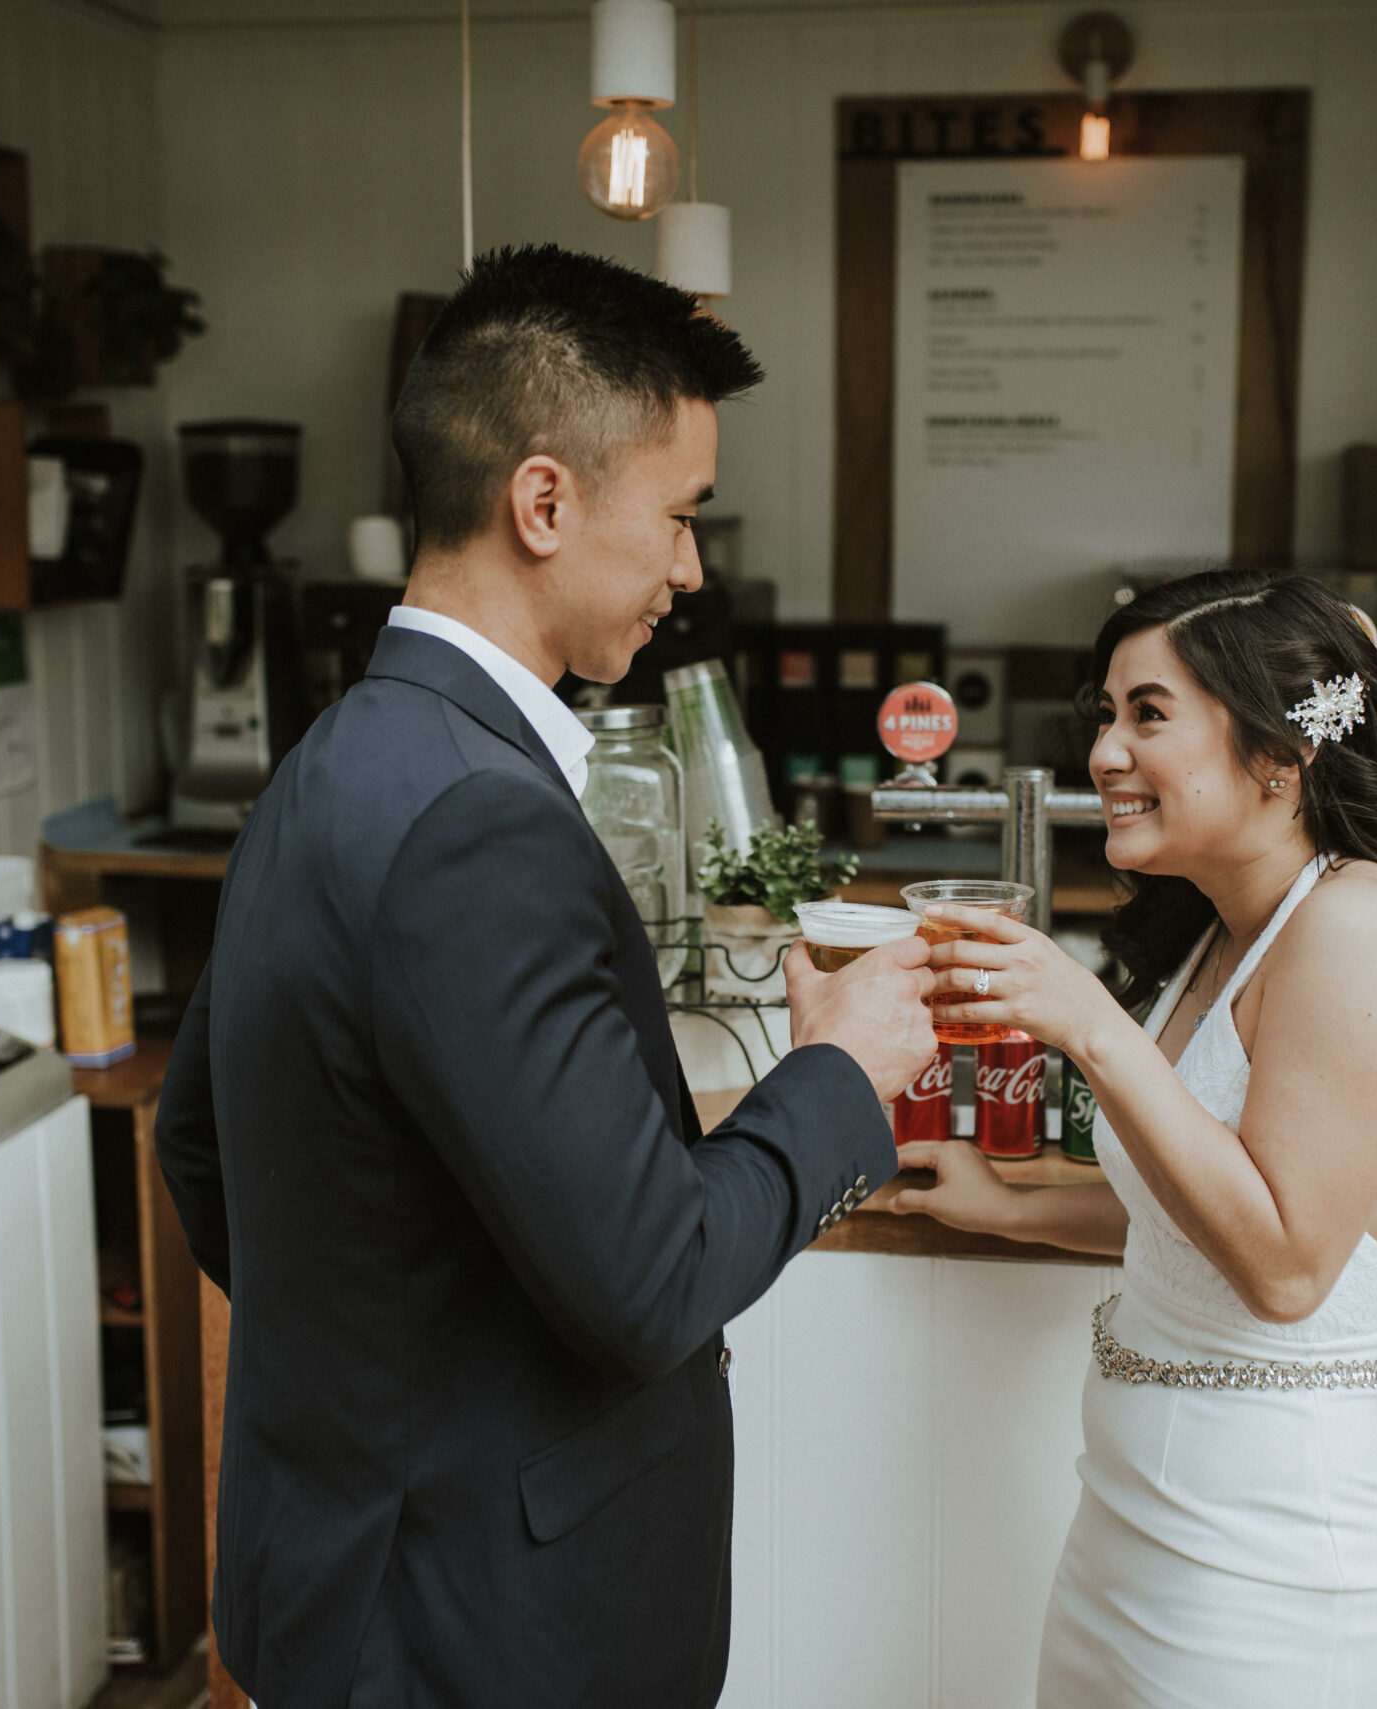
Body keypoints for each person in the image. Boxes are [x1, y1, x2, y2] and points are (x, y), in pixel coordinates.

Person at [153, 245, 937, 1707]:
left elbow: (197, 1141)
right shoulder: (481, 824)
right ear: (544, 501)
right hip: (475, 1635)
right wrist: (840, 1078)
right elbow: (650, 1282)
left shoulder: (335, 758)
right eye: (683, 516)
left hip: (338, 1585)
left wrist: (383, 1383)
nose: (692, 570)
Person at [889, 570, 1377, 1708]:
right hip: (1128, 1545)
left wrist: (1085, 1021)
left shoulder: (1357, 920)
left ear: (1280, 752)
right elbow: (1195, 1206)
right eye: (1105, 717)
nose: (1106, 752)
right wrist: (1007, 1204)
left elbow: (1283, 1262)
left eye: (1147, 713)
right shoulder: (1221, 939)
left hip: (1273, 1580)